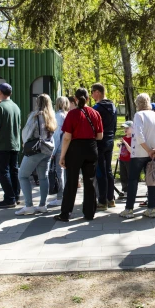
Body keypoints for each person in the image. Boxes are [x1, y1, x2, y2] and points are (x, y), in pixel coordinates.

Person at [55, 88, 103, 222]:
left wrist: (62, 156)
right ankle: (89, 213)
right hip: (91, 147)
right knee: (90, 181)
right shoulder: (95, 113)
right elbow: (100, 136)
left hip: (75, 149)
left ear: (75, 99)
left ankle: (65, 213)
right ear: (88, 98)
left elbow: (66, 137)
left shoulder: (72, 114)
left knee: (71, 181)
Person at [119, 93, 155, 219]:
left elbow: (139, 135)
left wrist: (148, 149)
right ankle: (151, 209)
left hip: (139, 153)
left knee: (133, 180)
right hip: (153, 153)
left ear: (137, 104)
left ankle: (129, 209)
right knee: (152, 180)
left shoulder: (138, 115)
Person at [16, 94, 57, 215]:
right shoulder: (51, 116)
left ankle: (29, 206)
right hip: (47, 149)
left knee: (22, 176)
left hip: (35, 149)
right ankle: (42, 205)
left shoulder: (36, 116)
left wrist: (24, 143)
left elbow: (27, 132)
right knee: (43, 177)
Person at [91, 83, 118, 211]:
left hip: (100, 141)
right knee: (108, 170)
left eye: (93, 91)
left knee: (100, 171)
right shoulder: (113, 106)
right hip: (110, 140)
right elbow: (115, 126)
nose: (91, 94)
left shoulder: (97, 108)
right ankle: (111, 198)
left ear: (98, 92)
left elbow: (93, 127)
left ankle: (102, 201)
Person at [47, 96, 69, 207]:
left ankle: (60, 197)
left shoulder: (58, 116)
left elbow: (57, 135)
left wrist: (53, 151)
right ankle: (65, 195)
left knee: (59, 172)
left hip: (60, 147)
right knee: (65, 173)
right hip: (68, 146)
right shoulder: (67, 114)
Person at [118, 121, 133, 195]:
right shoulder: (124, 137)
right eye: (125, 128)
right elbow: (122, 148)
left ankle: (131, 189)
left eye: (127, 128)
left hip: (129, 160)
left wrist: (125, 143)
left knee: (129, 175)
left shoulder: (133, 139)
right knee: (123, 175)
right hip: (122, 159)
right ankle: (124, 189)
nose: (125, 129)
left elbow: (131, 150)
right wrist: (120, 144)